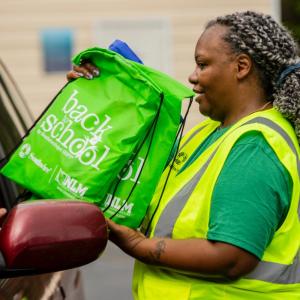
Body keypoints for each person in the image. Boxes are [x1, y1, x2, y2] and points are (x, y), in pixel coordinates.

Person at [67, 11, 300, 300]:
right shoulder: (210, 132)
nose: (192, 76)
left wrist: (140, 246)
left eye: (203, 64)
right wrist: (101, 97)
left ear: (241, 67)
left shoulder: (255, 145)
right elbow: (138, 190)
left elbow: (232, 257)